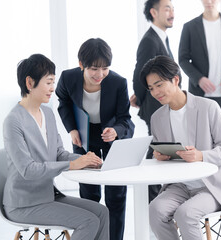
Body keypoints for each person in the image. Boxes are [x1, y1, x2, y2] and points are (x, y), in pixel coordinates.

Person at [3, 54, 109, 240]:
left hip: (48, 195)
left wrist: (85, 160)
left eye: (54, 82)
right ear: (30, 83)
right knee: (89, 221)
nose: (53, 88)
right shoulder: (13, 121)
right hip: (24, 204)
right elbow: (28, 170)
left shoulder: (47, 113)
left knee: (102, 212)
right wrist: (72, 165)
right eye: (49, 82)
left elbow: (58, 153)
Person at [140, 56, 221, 240]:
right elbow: (167, 152)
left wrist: (200, 156)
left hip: (212, 186)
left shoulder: (208, 108)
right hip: (180, 185)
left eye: (159, 85)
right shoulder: (157, 118)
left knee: (186, 214)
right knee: (155, 210)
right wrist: (161, 156)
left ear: (175, 79)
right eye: (151, 88)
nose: (155, 92)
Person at [56, 38, 134, 240]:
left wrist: (115, 131)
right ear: (81, 64)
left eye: (105, 68)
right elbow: (63, 102)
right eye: (94, 69)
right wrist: (72, 129)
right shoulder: (67, 78)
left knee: (116, 195)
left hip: (110, 135)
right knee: (89, 194)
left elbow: (125, 119)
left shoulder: (118, 83)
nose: (100, 75)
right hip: (83, 133)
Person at [178, 0, 221, 136]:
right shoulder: (189, 27)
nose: (209, 1)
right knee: (201, 140)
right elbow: (183, 59)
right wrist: (199, 79)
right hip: (200, 94)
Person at [130, 0, 175, 202]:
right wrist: (140, 96)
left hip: (160, 104)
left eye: (172, 8)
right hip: (155, 106)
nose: (172, 12)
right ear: (153, 12)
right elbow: (141, 72)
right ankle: (151, 195)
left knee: (159, 147)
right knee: (157, 148)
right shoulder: (150, 40)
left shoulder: (161, 38)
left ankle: (156, 194)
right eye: (167, 8)